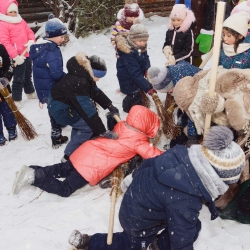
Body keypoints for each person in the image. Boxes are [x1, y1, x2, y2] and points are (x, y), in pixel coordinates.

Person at [67, 126, 245, 250]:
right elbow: (181, 240)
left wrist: (132, 179)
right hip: (138, 219)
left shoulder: (181, 155)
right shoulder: (186, 199)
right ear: (217, 177)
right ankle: (90, 243)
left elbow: (150, 163)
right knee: (129, 244)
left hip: (143, 199)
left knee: (192, 225)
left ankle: (157, 246)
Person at [12, 105, 163, 197]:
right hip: (92, 166)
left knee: (62, 169)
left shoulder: (123, 125)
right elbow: (154, 154)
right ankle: (34, 177)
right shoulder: (138, 142)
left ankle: (31, 170)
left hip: (86, 150)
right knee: (65, 189)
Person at [48, 52, 120, 162]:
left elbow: (95, 92)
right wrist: (102, 131)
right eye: (98, 77)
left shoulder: (83, 75)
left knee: (81, 124)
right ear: (92, 73)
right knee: (87, 127)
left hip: (63, 104)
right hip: (61, 110)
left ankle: (78, 143)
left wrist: (110, 106)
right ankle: (68, 156)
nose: (98, 80)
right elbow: (88, 110)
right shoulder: (79, 82)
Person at [29, 15, 68, 149]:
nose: (63, 39)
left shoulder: (40, 47)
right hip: (52, 85)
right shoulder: (51, 50)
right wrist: (66, 78)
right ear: (53, 36)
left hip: (43, 86)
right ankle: (56, 136)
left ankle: (58, 124)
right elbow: (56, 74)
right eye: (61, 37)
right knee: (55, 108)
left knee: (52, 107)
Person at [0, 0, 36, 106]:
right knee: (18, 77)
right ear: (5, 11)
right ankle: (16, 99)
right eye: (10, 12)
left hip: (26, 52)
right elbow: (5, 42)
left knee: (28, 74)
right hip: (16, 56)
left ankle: (30, 92)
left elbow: (29, 31)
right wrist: (15, 56)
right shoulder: (3, 24)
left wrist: (31, 41)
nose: (13, 14)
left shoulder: (20, 20)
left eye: (15, 11)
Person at [115, 19, 155, 113]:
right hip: (128, 79)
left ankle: (128, 106)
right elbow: (135, 74)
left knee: (135, 95)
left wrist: (147, 68)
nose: (142, 43)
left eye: (144, 40)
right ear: (132, 39)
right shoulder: (128, 53)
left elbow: (146, 58)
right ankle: (131, 111)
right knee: (135, 97)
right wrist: (148, 87)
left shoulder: (141, 47)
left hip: (136, 78)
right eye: (140, 41)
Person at [175, 0, 215, 66]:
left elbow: (209, 13)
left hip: (197, 30)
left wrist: (207, 30)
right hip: (182, 31)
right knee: (182, 55)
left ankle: (196, 72)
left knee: (195, 57)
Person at [0, 44, 17, 145]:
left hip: (3, 87)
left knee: (7, 109)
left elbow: (9, 64)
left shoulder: (1, 48)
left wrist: (5, 78)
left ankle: (11, 128)